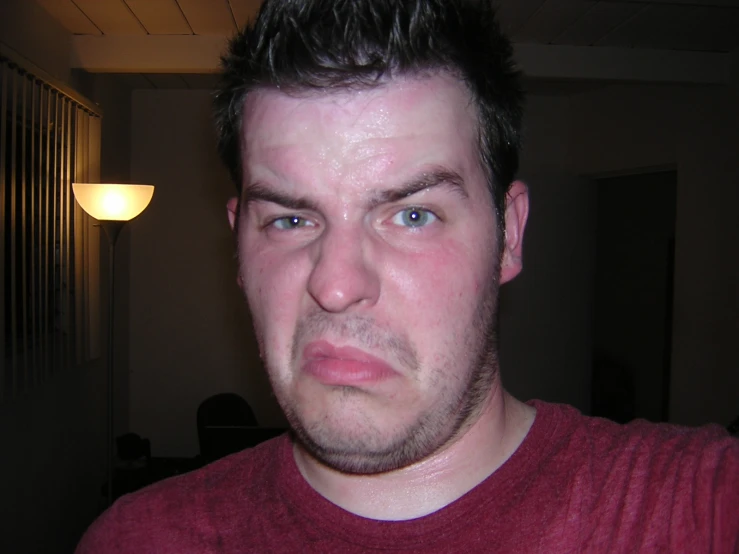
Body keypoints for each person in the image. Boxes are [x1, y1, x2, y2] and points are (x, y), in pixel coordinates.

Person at [76, 0, 738, 552]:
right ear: (237, 248)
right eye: (289, 220)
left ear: (507, 236)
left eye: (411, 214)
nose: (335, 286)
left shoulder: (698, 511)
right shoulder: (136, 541)